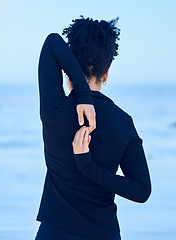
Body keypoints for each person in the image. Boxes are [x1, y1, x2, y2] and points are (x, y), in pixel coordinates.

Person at [35, 16, 151, 240]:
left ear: (69, 73)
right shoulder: (123, 122)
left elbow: (52, 43)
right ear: (106, 74)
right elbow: (141, 190)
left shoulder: (54, 110)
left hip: (54, 233)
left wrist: (83, 95)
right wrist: (90, 169)